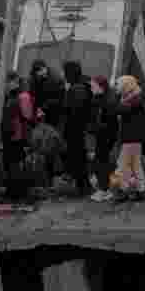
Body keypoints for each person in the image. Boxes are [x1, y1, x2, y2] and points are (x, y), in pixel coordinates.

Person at [112, 75, 145, 201]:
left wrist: (116, 99)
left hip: (131, 137)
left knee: (123, 164)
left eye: (119, 85)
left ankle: (123, 189)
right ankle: (140, 189)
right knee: (134, 164)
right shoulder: (135, 98)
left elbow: (119, 110)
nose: (117, 87)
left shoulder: (133, 100)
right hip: (134, 138)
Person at [61, 61, 92, 197]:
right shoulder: (82, 84)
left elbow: (75, 111)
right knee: (79, 158)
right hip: (78, 129)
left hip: (75, 129)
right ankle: (83, 186)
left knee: (78, 158)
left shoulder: (77, 88)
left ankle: (83, 187)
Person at [88, 75, 119, 202]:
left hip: (105, 136)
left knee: (101, 162)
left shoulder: (107, 101)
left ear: (100, 86)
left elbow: (109, 123)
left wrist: (95, 128)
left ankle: (104, 190)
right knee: (100, 161)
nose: (91, 88)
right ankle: (104, 188)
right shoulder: (101, 98)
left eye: (93, 86)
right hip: (103, 135)